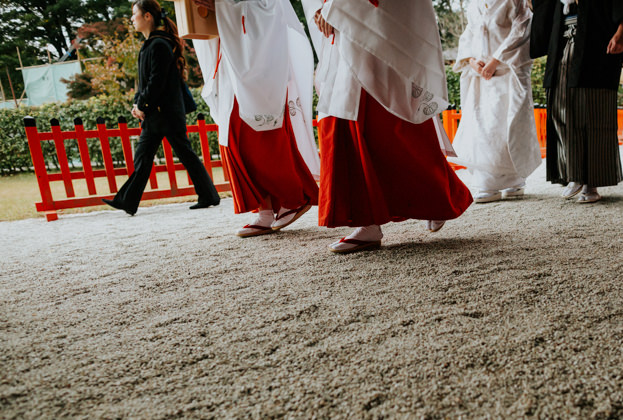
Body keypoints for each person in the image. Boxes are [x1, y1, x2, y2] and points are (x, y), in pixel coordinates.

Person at [307, 0, 473, 253]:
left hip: (370, 23)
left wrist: (335, 7)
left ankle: (434, 198)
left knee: (387, 119)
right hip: (343, 26)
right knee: (345, 118)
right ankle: (367, 221)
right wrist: (323, 8)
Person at [192, 0, 319, 237]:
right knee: (234, 136)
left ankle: (293, 197)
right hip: (232, 59)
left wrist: (221, 6)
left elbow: (267, 7)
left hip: (257, 61)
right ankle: (266, 210)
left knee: (254, 134)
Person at [103, 0, 220, 216]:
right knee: (146, 156)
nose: (131, 19)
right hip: (159, 114)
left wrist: (142, 105)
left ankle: (208, 195)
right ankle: (128, 201)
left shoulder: (159, 45)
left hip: (164, 114)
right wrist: (138, 103)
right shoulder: (152, 44)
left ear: (148, 16)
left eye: (134, 14)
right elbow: (144, 82)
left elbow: (157, 82)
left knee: (179, 155)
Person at [530, 0, 623, 204]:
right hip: (562, 42)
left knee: (593, 111)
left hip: (596, 41)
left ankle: (592, 182)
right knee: (560, 110)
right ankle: (574, 174)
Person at [450, 0, 541, 204]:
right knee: (482, 127)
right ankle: (487, 182)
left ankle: (515, 180)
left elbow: (522, 28)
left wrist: (496, 60)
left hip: (509, 71)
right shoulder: (473, 3)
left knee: (506, 126)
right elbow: (469, 33)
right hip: (481, 75)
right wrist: (471, 61)